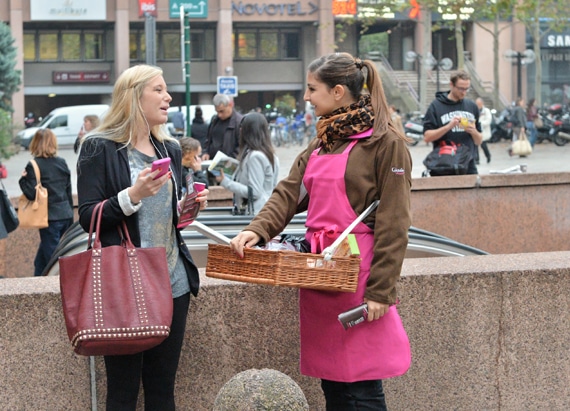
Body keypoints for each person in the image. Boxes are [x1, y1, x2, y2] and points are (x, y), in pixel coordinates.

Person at [230, 52, 412, 410]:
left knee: (361, 386)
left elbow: (395, 223)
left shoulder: (386, 144)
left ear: (339, 91)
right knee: (333, 384)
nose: (307, 97)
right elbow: (288, 192)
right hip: (321, 273)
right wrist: (257, 231)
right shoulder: (322, 141)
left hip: (358, 278)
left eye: (312, 89)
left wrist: (380, 292)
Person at [76, 64, 208, 410]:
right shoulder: (98, 148)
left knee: (163, 389)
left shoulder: (169, 148)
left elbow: (165, 217)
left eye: (167, 91)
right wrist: (132, 195)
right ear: (134, 96)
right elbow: (88, 217)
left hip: (173, 282)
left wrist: (188, 206)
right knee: (123, 391)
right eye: (159, 90)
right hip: (126, 286)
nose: (168, 97)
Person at [19, 129, 73, 277]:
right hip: (65, 215)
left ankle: (54, 290)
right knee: (41, 260)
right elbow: (68, 190)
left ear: (35, 143)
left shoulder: (33, 165)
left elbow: (31, 194)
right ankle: (37, 285)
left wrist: (23, 179)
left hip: (49, 218)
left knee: (52, 260)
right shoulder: (61, 162)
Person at [215, 112, 279, 215]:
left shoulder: (255, 156)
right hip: (267, 211)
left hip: (256, 214)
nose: (240, 131)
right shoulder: (271, 155)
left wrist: (225, 182)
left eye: (242, 127)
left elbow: (254, 192)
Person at [423, 70, 483, 174]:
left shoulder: (472, 106)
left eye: (466, 89)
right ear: (451, 85)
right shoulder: (436, 106)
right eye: (460, 88)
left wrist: (473, 131)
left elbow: (479, 141)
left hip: (468, 164)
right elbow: (427, 137)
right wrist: (448, 126)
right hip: (444, 163)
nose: (464, 92)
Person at [202, 94, 243, 160]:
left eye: (222, 111)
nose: (219, 115)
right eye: (217, 112)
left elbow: (241, 147)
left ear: (230, 105)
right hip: (213, 162)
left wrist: (228, 161)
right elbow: (208, 140)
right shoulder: (214, 120)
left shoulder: (239, 122)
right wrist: (206, 152)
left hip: (230, 164)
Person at [476, 98, 492, 163]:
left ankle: (488, 156)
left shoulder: (486, 111)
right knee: (475, 145)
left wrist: (481, 123)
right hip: (476, 130)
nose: (477, 105)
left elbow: (489, 120)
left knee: (483, 145)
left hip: (483, 130)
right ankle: (477, 159)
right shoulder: (475, 110)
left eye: (478, 104)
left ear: (482, 104)